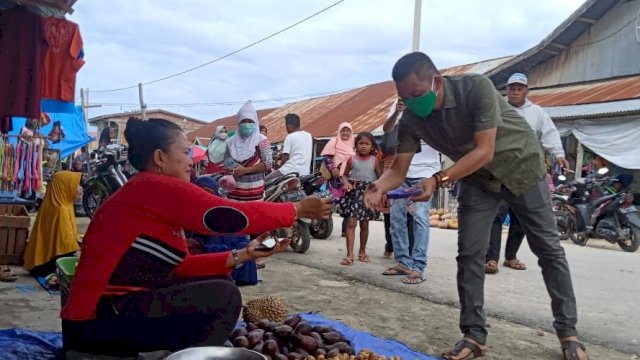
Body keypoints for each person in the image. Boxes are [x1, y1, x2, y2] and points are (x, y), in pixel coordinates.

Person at [364, 52, 588, 360]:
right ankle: (474, 336)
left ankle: (568, 333)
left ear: (436, 81)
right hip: (476, 180)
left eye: (416, 94)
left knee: (548, 250)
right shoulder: (412, 118)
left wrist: (438, 178)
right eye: (404, 97)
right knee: (470, 254)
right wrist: (377, 187)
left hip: (521, 168)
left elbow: (485, 150)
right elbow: (398, 171)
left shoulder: (475, 88)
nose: (413, 103)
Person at [60, 117, 330, 357]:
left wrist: (243, 255)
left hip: (110, 315)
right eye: (186, 152)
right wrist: (295, 209)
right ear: (160, 158)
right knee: (224, 296)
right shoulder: (153, 187)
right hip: (95, 323)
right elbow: (225, 215)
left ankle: (184, 352)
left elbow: (177, 268)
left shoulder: (148, 193)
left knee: (217, 279)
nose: (191, 161)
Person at [485, 72, 570, 274]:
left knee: (521, 218)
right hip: (500, 172)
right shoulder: (497, 108)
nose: (515, 92)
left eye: (519, 89)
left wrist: (558, 154)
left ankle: (511, 256)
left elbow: (550, 134)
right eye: (511, 88)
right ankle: (491, 258)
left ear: (526, 91)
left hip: (526, 174)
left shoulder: (537, 113)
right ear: (506, 90)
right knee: (496, 215)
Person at [384, 128, 440, 284]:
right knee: (396, 219)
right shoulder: (400, 110)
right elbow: (388, 130)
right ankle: (404, 263)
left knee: (420, 219)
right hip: (401, 173)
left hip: (425, 173)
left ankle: (418, 267)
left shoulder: (433, 113)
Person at [23, 171, 83, 277]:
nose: (80, 188)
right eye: (76, 185)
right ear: (64, 187)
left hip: (40, 263)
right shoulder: (60, 211)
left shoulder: (60, 204)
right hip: (46, 266)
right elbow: (66, 247)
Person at [338, 132, 381, 266]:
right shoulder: (352, 159)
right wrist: (346, 182)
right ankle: (349, 254)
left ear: (372, 146)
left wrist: (380, 192)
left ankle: (362, 251)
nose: (363, 146)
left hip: (367, 195)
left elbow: (380, 178)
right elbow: (344, 175)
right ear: (356, 145)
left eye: (367, 144)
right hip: (354, 193)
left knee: (364, 224)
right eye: (361, 143)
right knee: (351, 223)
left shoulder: (375, 161)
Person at [224, 101, 273, 201]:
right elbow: (226, 163)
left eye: (250, 121)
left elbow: (268, 164)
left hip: (255, 196)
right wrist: (229, 169)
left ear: (255, 122)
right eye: (243, 121)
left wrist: (245, 170)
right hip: (233, 195)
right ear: (238, 122)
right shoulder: (230, 142)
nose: (247, 124)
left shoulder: (262, 140)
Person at [321, 122, 355, 237]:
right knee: (330, 202)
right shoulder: (333, 141)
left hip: (348, 178)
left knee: (348, 204)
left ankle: (345, 230)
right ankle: (324, 227)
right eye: (343, 130)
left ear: (351, 132)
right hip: (335, 179)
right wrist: (333, 168)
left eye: (348, 130)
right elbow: (327, 157)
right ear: (339, 131)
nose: (345, 133)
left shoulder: (353, 143)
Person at [265, 113, 312, 181]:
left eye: (286, 125)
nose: (286, 128)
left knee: (266, 181)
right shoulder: (309, 135)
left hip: (289, 171)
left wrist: (279, 167)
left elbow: (285, 158)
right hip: (305, 173)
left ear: (289, 125)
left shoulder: (290, 137)